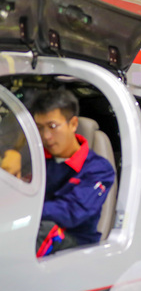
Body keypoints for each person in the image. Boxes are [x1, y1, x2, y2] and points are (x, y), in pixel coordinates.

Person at [33, 90, 115, 257]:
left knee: (47, 231)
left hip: (76, 245)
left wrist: (25, 209)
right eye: (39, 128)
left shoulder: (98, 169)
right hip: (31, 228)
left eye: (52, 126)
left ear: (73, 124)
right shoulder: (35, 160)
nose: (46, 136)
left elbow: (72, 213)